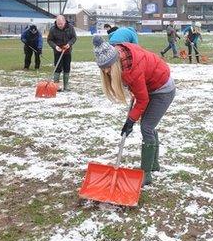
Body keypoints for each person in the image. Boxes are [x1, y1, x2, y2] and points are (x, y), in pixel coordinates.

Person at [93, 36, 175, 186]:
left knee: (147, 127)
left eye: (108, 68)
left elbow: (143, 100)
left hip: (163, 89)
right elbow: (140, 90)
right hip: (150, 85)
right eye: (102, 68)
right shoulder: (120, 55)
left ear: (115, 63)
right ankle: (154, 165)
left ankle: (146, 174)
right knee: (148, 126)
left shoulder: (131, 71)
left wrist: (130, 121)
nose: (106, 71)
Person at [47, 15, 77, 91]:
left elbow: (74, 37)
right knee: (57, 68)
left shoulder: (70, 27)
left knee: (67, 68)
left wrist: (69, 44)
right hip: (57, 51)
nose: (59, 25)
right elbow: (49, 40)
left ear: (64, 21)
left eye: (61, 24)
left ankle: (66, 86)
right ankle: (56, 86)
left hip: (67, 51)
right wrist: (55, 47)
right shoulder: (53, 29)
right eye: (58, 24)